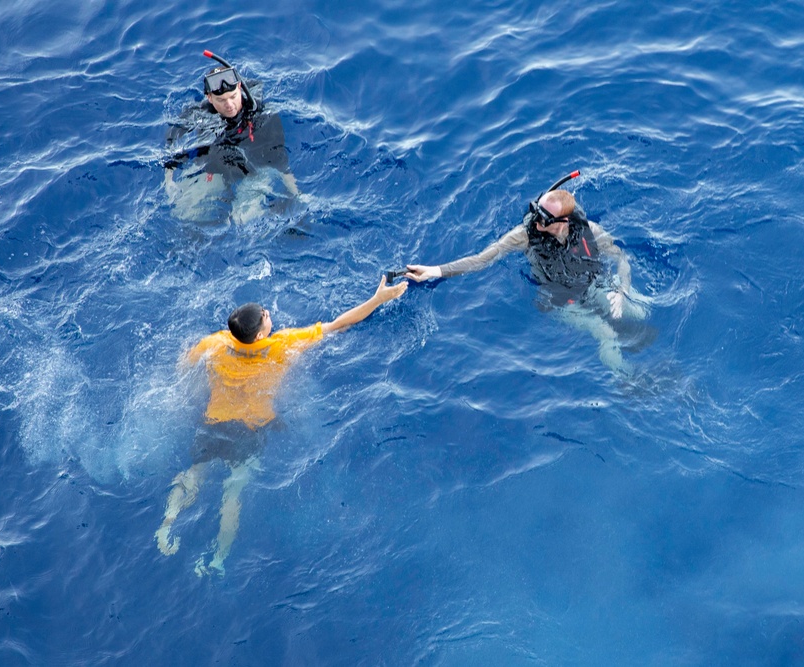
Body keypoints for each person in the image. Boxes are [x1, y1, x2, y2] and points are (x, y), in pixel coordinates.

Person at [155, 275, 407, 576]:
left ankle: (166, 525)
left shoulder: (215, 343)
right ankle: (217, 559)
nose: (269, 315)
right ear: (259, 336)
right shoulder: (282, 346)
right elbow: (339, 324)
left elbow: (184, 365)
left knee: (194, 473)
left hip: (213, 423)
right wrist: (378, 299)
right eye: (265, 317)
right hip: (249, 431)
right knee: (233, 492)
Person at [405, 174, 651, 373]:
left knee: (638, 309)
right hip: (559, 300)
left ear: (564, 221)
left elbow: (621, 259)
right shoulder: (523, 236)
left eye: (544, 220)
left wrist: (622, 291)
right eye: (536, 215)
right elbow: (482, 260)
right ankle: (628, 378)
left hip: (591, 282)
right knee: (605, 333)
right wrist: (434, 271)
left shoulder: (589, 230)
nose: (536, 223)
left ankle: (652, 347)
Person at [163, 56, 299, 221]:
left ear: (240, 88)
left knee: (244, 220)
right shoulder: (198, 115)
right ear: (209, 98)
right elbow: (172, 146)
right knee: (184, 212)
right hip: (214, 169)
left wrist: (296, 193)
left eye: (233, 96)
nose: (229, 104)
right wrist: (169, 180)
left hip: (253, 171)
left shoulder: (262, 115)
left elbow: (279, 160)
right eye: (221, 100)